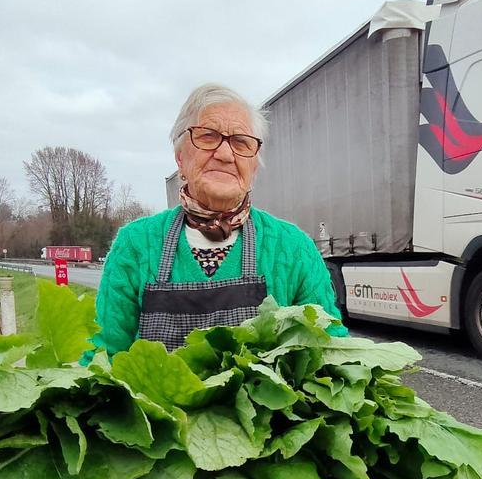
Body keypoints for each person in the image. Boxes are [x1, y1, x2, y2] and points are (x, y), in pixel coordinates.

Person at [92, 83, 344, 354]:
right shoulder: (136, 244)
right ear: (180, 157)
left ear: (254, 166)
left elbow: (329, 350)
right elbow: (104, 353)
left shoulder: (293, 248)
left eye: (240, 142)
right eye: (208, 136)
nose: (225, 154)